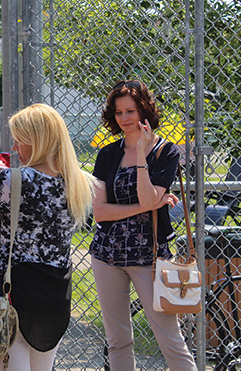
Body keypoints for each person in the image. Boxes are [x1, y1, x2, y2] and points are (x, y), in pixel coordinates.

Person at [0, 103, 94, 371]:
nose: (15, 147)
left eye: (20, 140)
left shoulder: (12, 180)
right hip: (54, 296)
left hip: (9, 295)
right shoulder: (79, 184)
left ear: (39, 141)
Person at [89, 80, 196, 370]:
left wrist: (139, 157)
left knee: (170, 339)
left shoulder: (166, 152)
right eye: (119, 113)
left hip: (149, 257)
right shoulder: (108, 154)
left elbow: (148, 195)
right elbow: (100, 212)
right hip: (107, 254)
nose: (124, 119)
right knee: (118, 340)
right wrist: (147, 206)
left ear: (144, 111)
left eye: (130, 111)